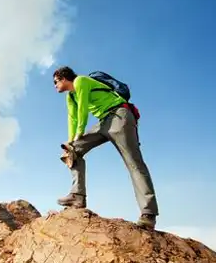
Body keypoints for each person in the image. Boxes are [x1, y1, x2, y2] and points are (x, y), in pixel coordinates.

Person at [53, 66, 159, 230]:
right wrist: (71, 143)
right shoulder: (70, 97)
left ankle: (148, 214)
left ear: (63, 77)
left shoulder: (80, 81)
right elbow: (72, 119)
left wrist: (79, 133)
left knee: (134, 163)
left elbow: (82, 111)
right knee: (72, 151)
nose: (54, 86)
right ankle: (77, 196)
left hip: (119, 116)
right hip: (103, 122)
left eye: (55, 82)